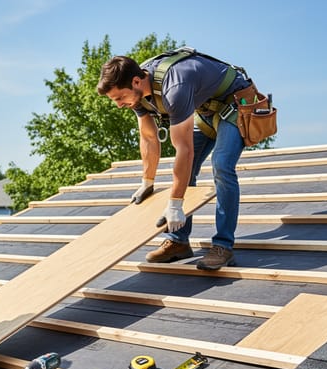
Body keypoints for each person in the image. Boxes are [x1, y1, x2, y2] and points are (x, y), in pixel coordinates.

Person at [97, 49, 252, 270]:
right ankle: (179, 242)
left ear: (136, 81)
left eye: (120, 98)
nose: (119, 104)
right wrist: (147, 182)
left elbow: (184, 150)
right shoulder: (138, 93)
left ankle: (223, 246)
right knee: (182, 171)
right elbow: (149, 138)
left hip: (235, 102)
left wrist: (175, 205)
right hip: (205, 110)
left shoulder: (174, 88)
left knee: (221, 166)